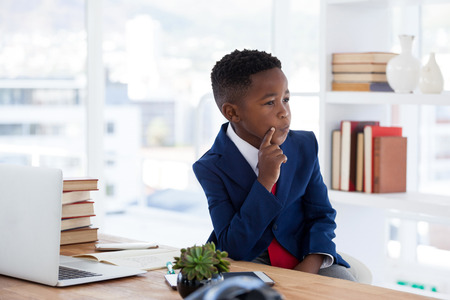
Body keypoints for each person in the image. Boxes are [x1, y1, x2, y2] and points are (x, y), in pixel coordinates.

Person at [193, 49, 356, 281]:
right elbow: (233, 246)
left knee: (346, 288)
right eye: (270, 102)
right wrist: (265, 181)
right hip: (247, 264)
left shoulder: (305, 145)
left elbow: (322, 215)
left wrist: (309, 266)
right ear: (232, 112)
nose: (284, 112)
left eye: (286, 99)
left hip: (305, 257)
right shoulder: (210, 167)